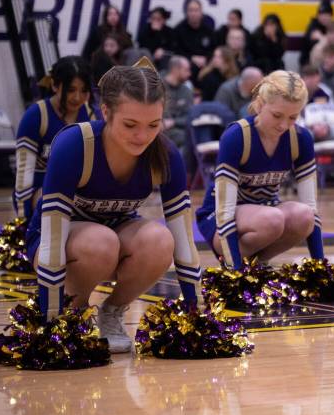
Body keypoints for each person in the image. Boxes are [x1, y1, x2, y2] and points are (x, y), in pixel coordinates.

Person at [26, 59, 202, 352]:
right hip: (56, 242)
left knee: (161, 240)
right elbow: (52, 240)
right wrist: (50, 325)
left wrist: (197, 318)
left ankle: (111, 312)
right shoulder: (75, 144)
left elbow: (184, 243)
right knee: (101, 242)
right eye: (130, 124)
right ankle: (74, 314)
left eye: (153, 125)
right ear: (105, 111)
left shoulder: (166, 154)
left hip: (114, 237)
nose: (142, 136)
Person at [195, 70, 324, 269]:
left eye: (292, 117)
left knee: (304, 216)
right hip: (220, 219)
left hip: (266, 213)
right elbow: (225, 212)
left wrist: (320, 267)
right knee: (272, 219)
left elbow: (311, 207)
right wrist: (235, 276)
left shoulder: (300, 138)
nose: (283, 125)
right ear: (261, 103)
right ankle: (235, 267)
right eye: (277, 115)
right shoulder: (237, 136)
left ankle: (256, 265)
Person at [13, 56, 101, 220]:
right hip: (41, 189)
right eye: (70, 90)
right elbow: (24, 172)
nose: (77, 97)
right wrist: (22, 220)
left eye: (83, 91)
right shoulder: (36, 116)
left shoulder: (93, 116)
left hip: (79, 191)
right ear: (54, 85)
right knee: (51, 194)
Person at [161, 56, 195, 151]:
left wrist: (173, 122)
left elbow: (190, 117)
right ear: (175, 69)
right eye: (186, 70)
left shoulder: (187, 91)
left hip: (179, 131)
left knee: (191, 137)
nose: (190, 74)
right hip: (158, 130)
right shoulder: (157, 87)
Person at [174, 0, 215, 75]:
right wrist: (192, 58)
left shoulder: (208, 31)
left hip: (205, 64)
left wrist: (205, 58)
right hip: (185, 65)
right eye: (191, 10)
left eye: (196, 10)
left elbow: (213, 50)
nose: (193, 13)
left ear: (201, 12)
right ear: (187, 12)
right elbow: (176, 51)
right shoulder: (178, 30)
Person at [298, 0, 333, 67]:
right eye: (321, 15)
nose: (324, 17)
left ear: (331, 16)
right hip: (309, 63)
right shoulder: (313, 26)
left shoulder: (332, 27)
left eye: (326, 15)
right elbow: (315, 46)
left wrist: (322, 38)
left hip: (326, 63)